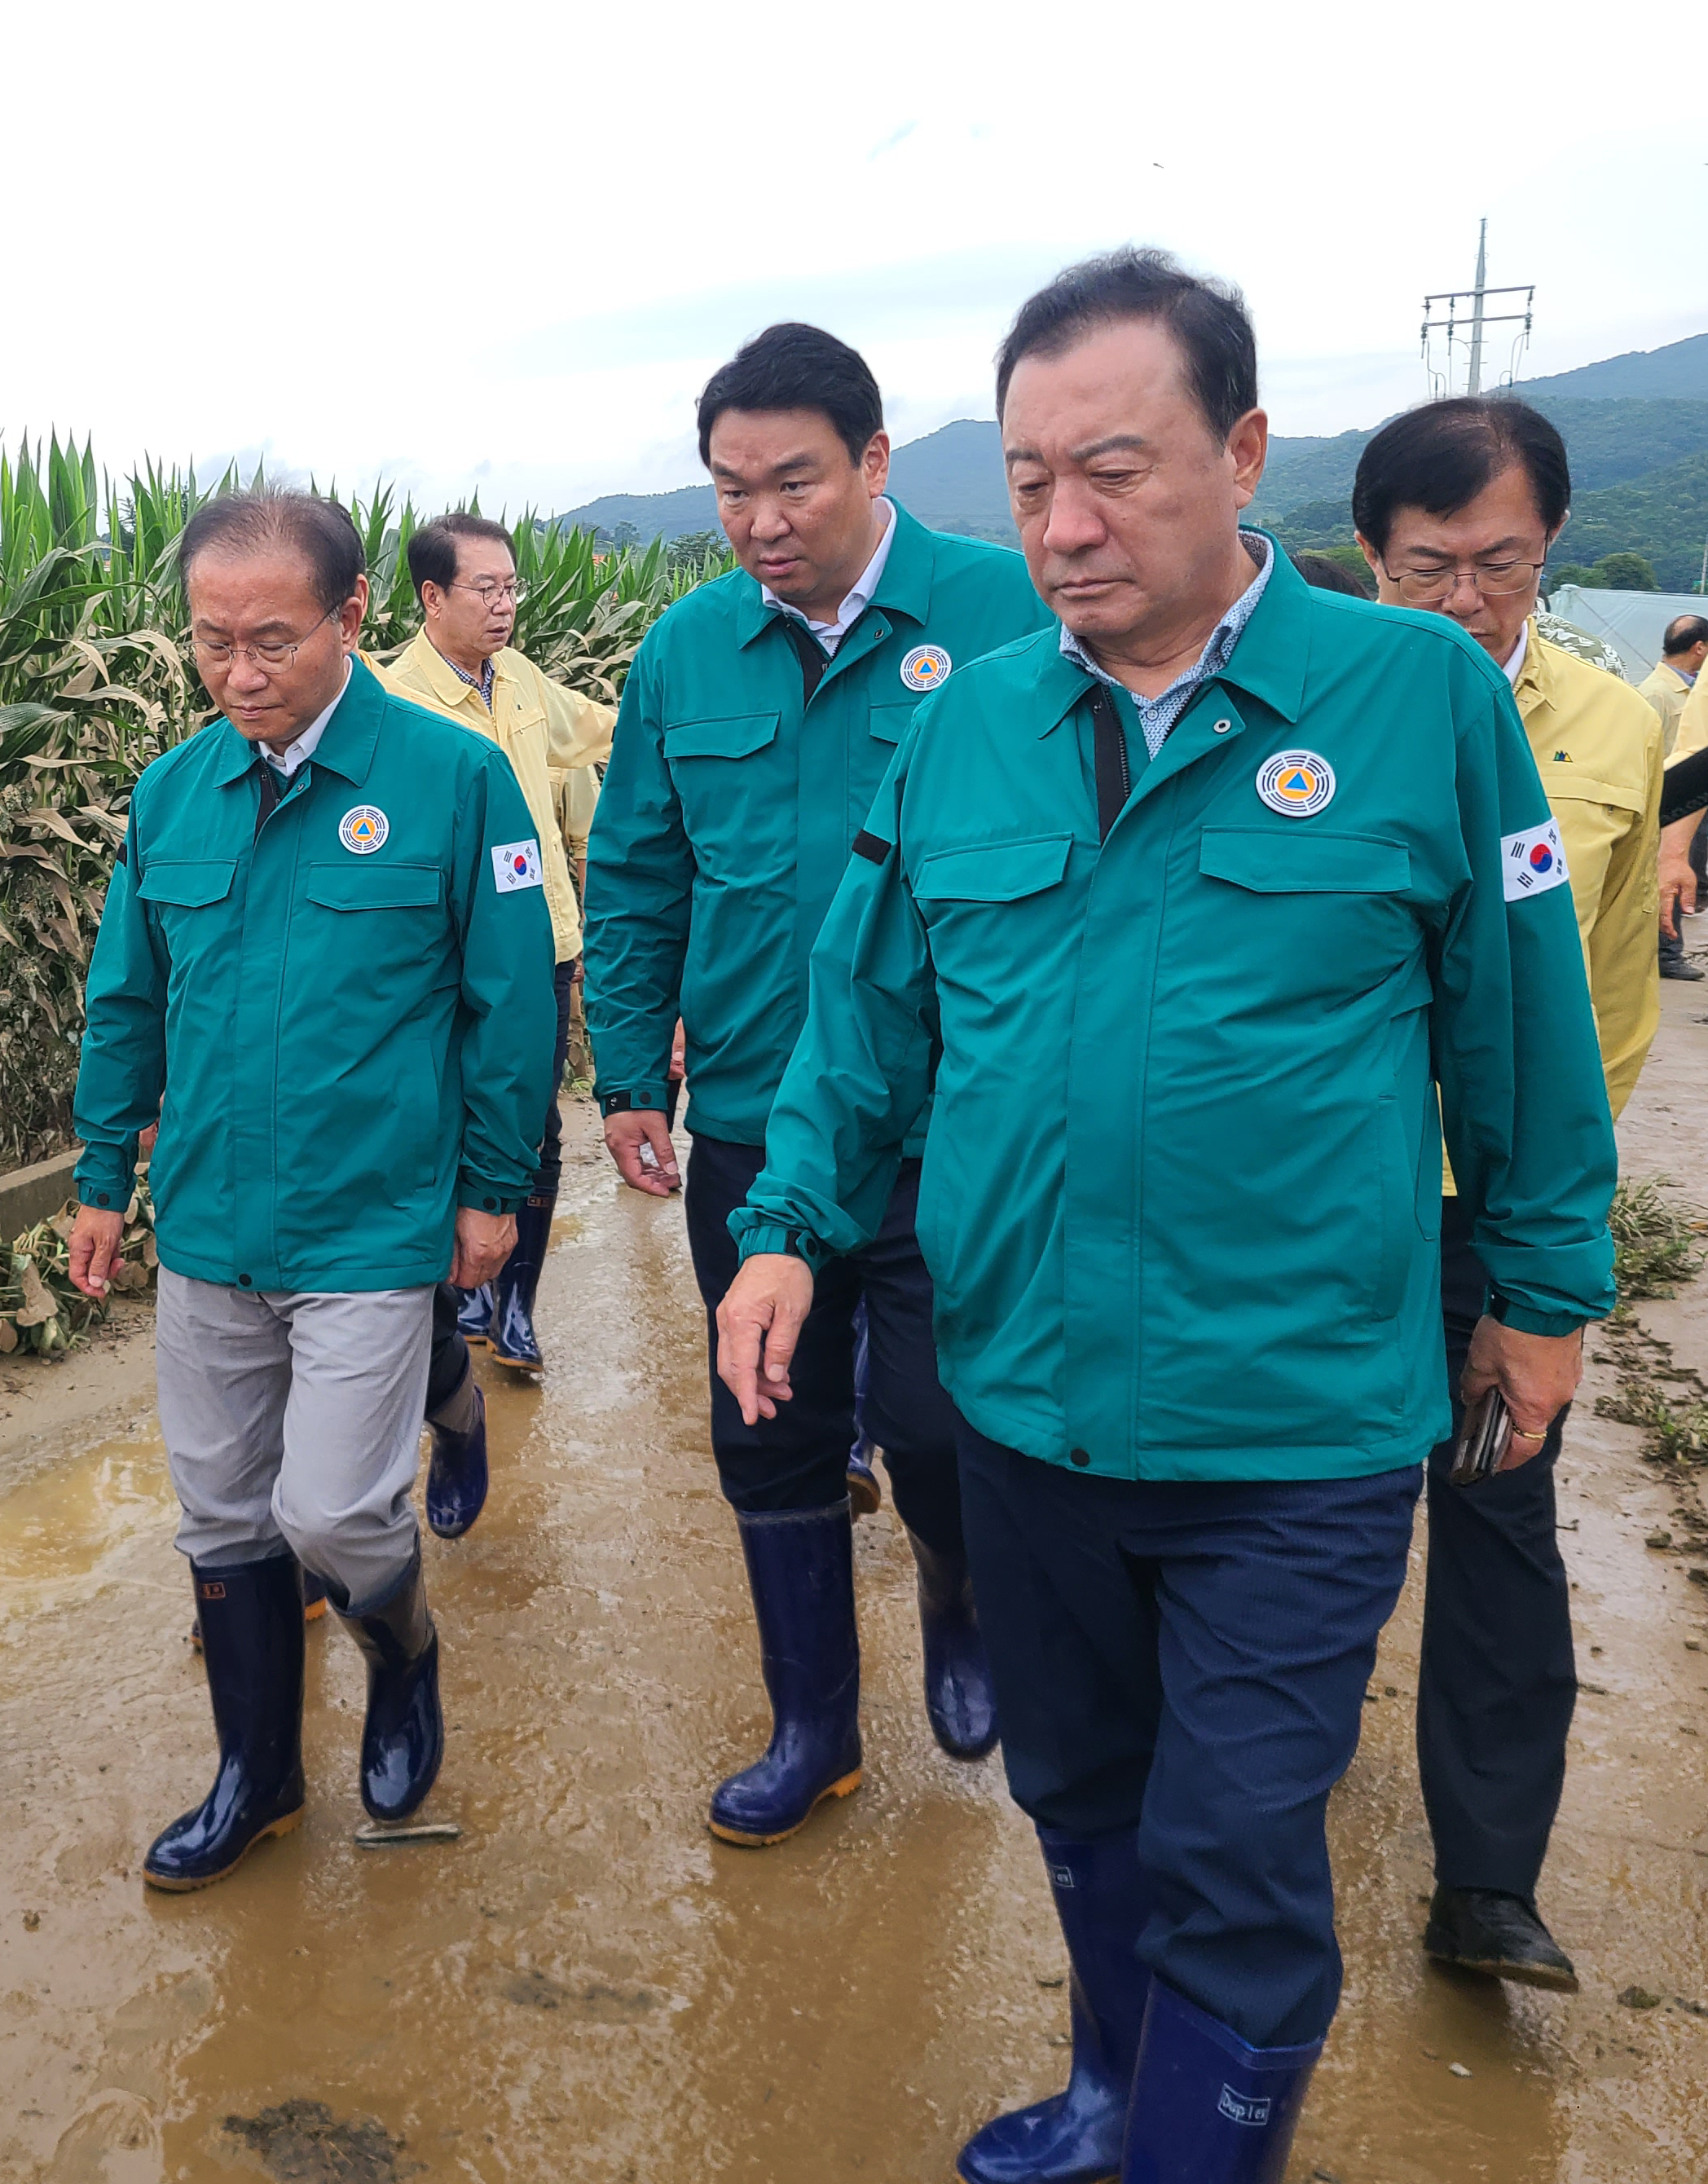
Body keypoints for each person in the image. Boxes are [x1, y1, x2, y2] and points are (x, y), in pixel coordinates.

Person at [712, 252, 1614, 2183]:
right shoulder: (964, 727)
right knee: (1084, 1783)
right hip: (1026, 1400)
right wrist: (786, 1217)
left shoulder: (1413, 701)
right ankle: (1114, 2088)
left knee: (1232, 1849)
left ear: (1244, 450)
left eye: (1110, 469)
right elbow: (861, 1019)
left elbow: (1520, 1035)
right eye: (1028, 479)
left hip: (1287, 1422)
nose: (1060, 523)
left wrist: (1539, 1297)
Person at [583, 321, 1050, 1847]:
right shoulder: (683, 651)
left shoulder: (1003, 614)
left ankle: (958, 1588)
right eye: (728, 491)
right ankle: (811, 1728)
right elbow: (639, 867)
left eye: (791, 483)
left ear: (872, 463)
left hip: (947, 1119)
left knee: (929, 1417)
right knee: (766, 1415)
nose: (760, 521)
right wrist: (626, 1069)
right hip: (749, 1115)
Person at [67, 490, 553, 1890]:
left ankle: (400, 1650)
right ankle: (255, 1776)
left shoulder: (454, 784)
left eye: (270, 639)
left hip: (372, 1217)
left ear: (348, 617)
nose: (238, 673)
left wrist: (488, 1190)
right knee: (220, 1520)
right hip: (213, 1221)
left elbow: (506, 1002)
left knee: (332, 1517)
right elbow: (124, 1003)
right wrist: (101, 1175)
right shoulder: (174, 794)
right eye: (210, 643)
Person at [1355, 397, 1662, 1992]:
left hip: (1491, 1217)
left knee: (1493, 1513)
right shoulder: (1315, 718)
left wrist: (1552, 1253)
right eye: (1430, 569)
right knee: (1299, 1509)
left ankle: (1485, 1880)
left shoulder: (1616, 733)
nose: (1470, 601)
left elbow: (1605, 1002)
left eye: (1505, 564)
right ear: (1369, 559)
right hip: (1331, 1213)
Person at [373, 512, 614, 1526]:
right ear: (430, 599)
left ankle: (511, 1302)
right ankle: (454, 1299)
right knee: (441, 1120)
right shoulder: (385, 699)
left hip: (541, 942)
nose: (507, 602)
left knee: (533, 1125)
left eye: (512, 586)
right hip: (438, 955)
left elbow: (605, 727)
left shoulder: (523, 686)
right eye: (486, 588)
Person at [1651, 612, 1708, 971]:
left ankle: (1669, 951)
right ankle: (1668, 954)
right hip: (1669, 804)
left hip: (1691, 799)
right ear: (1700, 647)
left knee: (1685, 873)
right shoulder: (1656, 693)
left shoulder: (1690, 689)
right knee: (1671, 874)